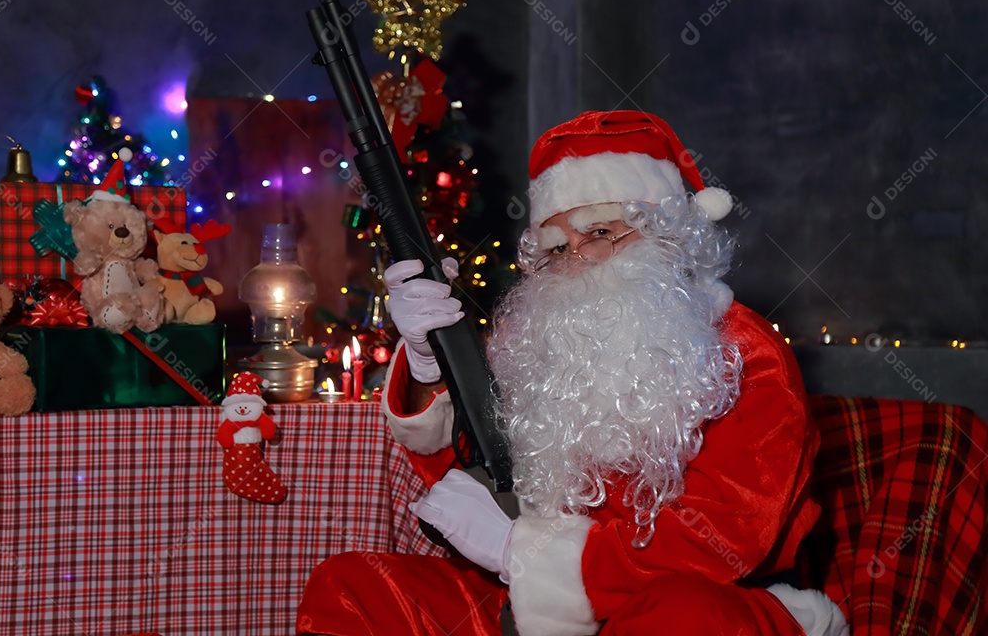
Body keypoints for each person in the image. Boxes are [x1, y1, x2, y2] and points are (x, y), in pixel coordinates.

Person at [297, 111, 848, 636]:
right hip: (535, 607)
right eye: (557, 247)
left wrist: (521, 552)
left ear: (665, 235)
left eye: (600, 233)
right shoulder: (536, 340)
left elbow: (724, 538)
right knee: (353, 587)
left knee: (682, 618)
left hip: (699, 597)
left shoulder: (742, 349)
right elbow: (475, 468)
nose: (577, 258)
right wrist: (426, 365)